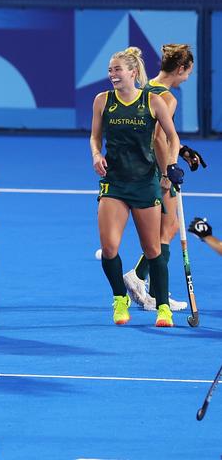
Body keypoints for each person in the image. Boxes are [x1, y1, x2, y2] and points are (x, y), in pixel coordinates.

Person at [90, 46, 185, 327]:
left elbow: (172, 138)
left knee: (153, 249)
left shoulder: (153, 102)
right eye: (110, 70)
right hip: (114, 183)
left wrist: (172, 165)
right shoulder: (102, 101)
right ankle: (120, 299)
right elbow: (95, 138)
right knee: (109, 248)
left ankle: (163, 308)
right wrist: (96, 155)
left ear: (133, 72)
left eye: (117, 70)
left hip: (145, 184)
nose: (112, 75)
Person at [122, 44, 205, 311]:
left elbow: (152, 132)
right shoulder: (167, 97)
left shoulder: (146, 88)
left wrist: (181, 151)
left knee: (163, 229)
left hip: (136, 165)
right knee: (168, 228)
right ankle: (149, 287)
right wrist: (168, 171)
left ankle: (146, 281)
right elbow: (159, 137)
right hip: (154, 170)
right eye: (188, 73)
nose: (187, 78)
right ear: (180, 69)